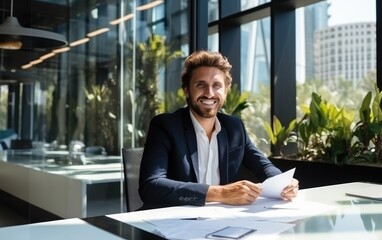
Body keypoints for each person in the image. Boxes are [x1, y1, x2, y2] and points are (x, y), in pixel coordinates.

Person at [138, 50, 299, 210]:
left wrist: (283, 184)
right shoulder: (165, 126)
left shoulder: (234, 128)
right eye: (200, 85)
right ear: (186, 90)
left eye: (216, 86)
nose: (209, 93)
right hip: (172, 222)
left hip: (220, 220)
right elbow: (151, 186)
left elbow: (263, 166)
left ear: (225, 91)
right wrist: (221, 193)